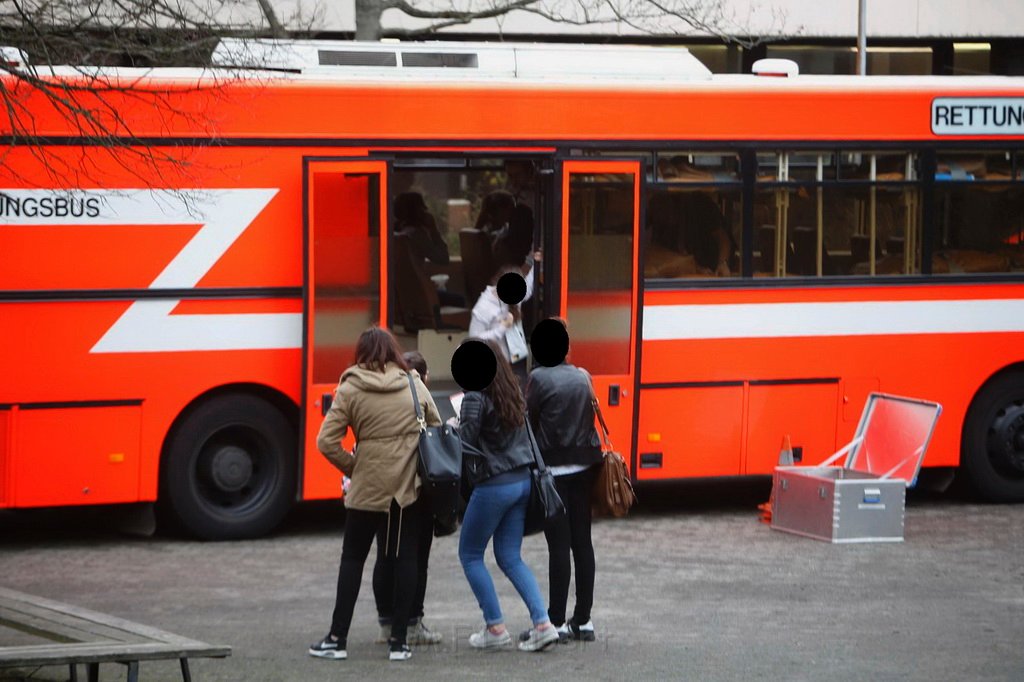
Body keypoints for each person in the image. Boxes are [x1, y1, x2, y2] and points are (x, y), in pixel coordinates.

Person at [309, 327, 441, 663]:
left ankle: (337, 638)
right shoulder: (413, 383)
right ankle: (399, 642)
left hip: (367, 488)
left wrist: (355, 467)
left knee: (353, 558)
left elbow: (326, 441)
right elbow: (436, 428)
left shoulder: (351, 387)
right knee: (404, 559)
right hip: (405, 490)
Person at [457, 339, 560, 653]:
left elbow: (467, 442)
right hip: (522, 481)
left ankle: (495, 627)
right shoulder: (512, 390)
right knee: (510, 556)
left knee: (471, 554)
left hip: (494, 484)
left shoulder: (475, 395)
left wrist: (454, 427)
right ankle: (543, 624)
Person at [525, 325, 603, 644]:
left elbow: (527, 422)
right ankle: (582, 620)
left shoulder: (539, 379)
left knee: (558, 544)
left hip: (553, 470)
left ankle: (555, 620)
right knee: (582, 542)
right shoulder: (583, 375)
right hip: (586, 465)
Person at [371, 351, 442, 647]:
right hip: (412, 485)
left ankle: (386, 624)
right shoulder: (418, 389)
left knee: (384, 555)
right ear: (423, 375)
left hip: (378, 484)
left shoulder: (376, 390)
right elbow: (436, 429)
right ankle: (412, 623)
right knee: (415, 558)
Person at [469, 264, 534, 391]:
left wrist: (537, 263)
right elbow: (473, 340)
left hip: (517, 359)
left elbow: (529, 288)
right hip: (497, 365)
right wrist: (501, 328)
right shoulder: (483, 308)